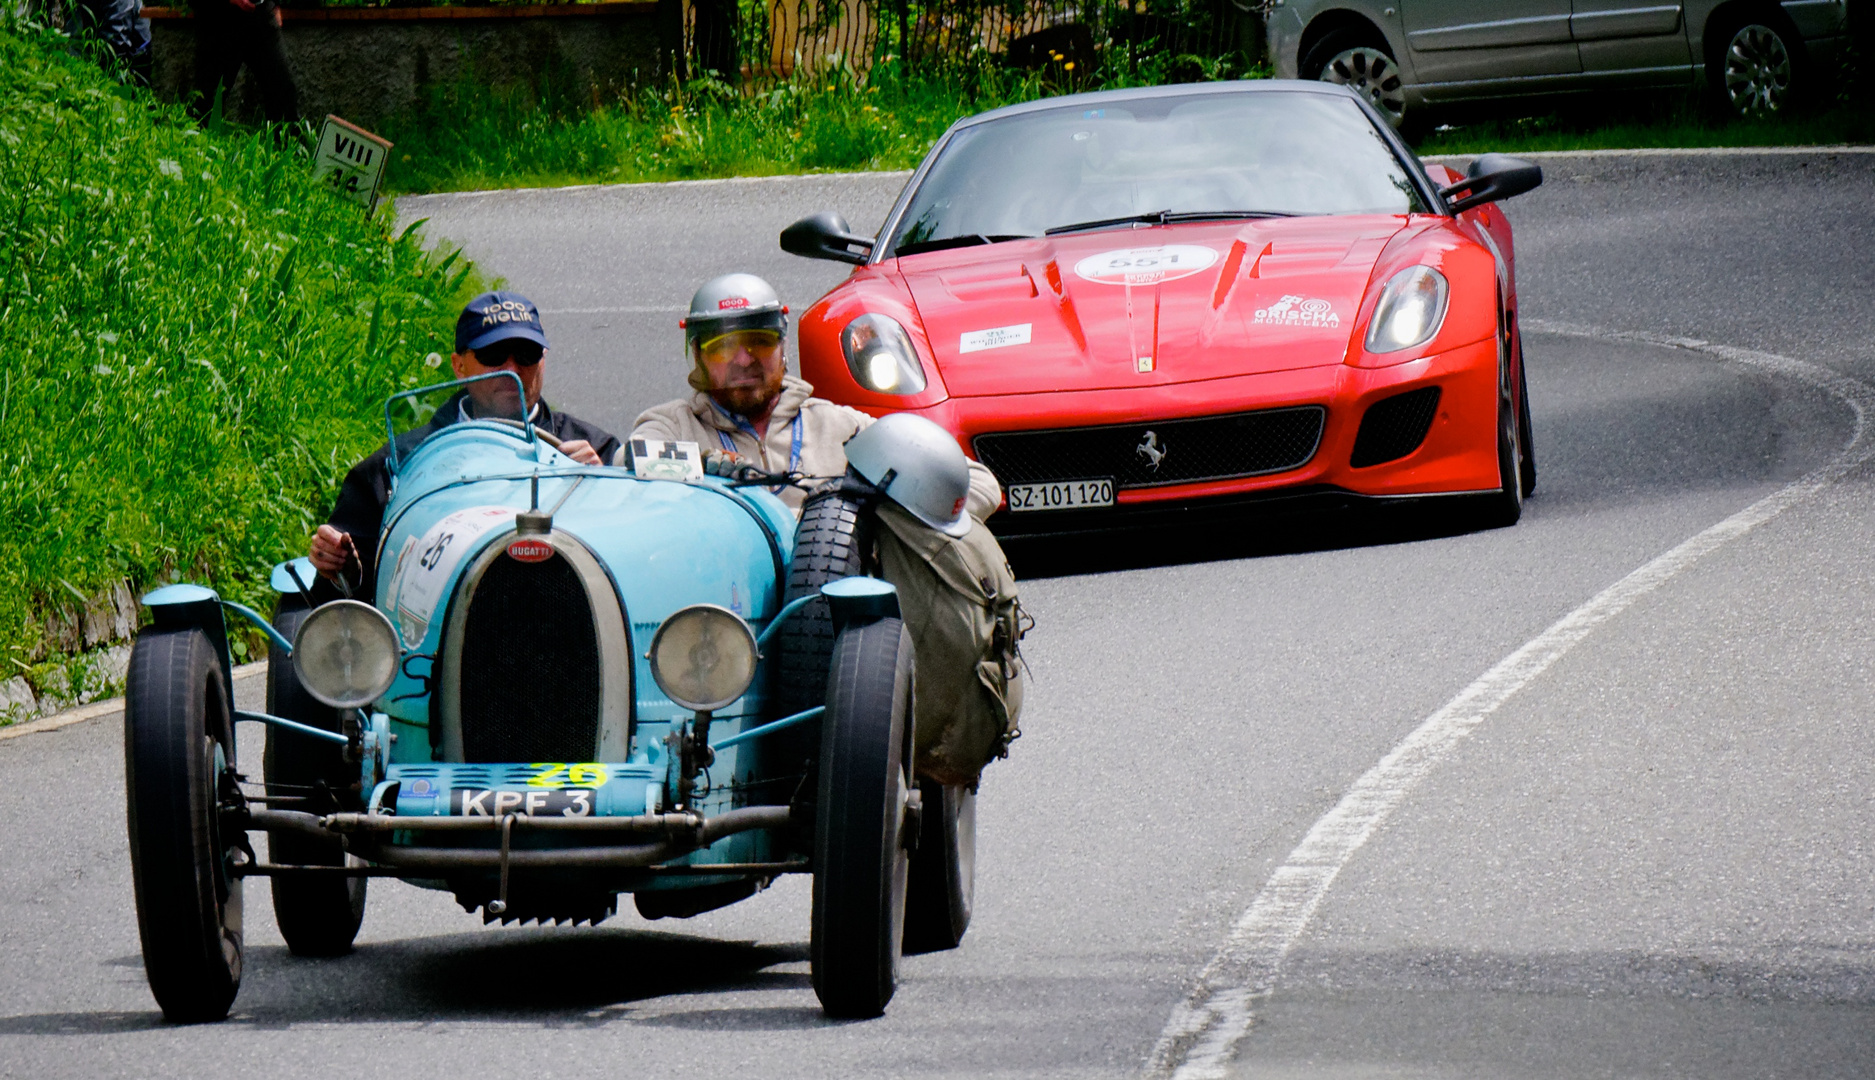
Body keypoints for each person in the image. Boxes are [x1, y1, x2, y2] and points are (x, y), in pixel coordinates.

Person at [307, 291, 622, 597]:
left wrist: (604, 487)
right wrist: (340, 565)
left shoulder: (597, 450)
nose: (512, 369)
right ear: (459, 367)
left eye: (526, 355)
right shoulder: (395, 466)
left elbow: (632, 555)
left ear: (543, 361)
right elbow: (343, 600)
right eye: (493, 356)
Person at [629, 272, 1002, 518]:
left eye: (759, 341)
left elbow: (977, 484)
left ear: (782, 348)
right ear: (698, 356)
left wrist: (892, 518)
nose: (744, 360)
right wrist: (711, 464)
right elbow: (633, 463)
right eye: (723, 347)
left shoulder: (840, 425)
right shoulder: (670, 425)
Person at [191, 0, 298, 124]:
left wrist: (275, 3)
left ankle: (287, 139)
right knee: (208, 100)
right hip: (219, 21)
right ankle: (196, 139)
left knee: (282, 89)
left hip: (261, 16)